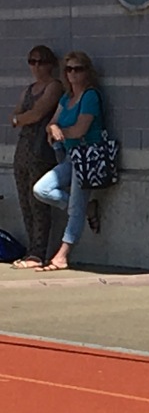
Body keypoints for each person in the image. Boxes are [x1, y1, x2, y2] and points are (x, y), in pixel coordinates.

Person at [31, 51, 105, 272]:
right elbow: (52, 123)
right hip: (69, 156)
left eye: (78, 69)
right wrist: (52, 128)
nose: (73, 73)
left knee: (75, 207)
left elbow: (80, 129)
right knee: (41, 189)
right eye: (69, 69)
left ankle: (62, 255)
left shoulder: (90, 96)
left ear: (87, 71)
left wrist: (59, 132)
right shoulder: (66, 97)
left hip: (87, 156)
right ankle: (86, 209)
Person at [9, 45, 63, 269]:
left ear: (51, 64)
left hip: (41, 150)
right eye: (32, 61)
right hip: (23, 148)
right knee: (25, 202)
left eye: (42, 62)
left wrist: (20, 119)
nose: (37, 67)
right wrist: (20, 118)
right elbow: (15, 114)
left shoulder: (54, 86)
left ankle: (38, 253)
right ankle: (32, 248)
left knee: (37, 201)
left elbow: (38, 113)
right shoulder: (29, 89)